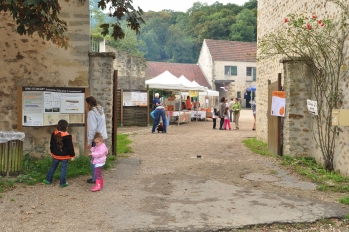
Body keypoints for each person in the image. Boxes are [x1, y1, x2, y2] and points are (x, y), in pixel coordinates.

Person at [43, 119, 75, 188]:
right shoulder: (68, 136)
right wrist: (72, 155)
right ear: (66, 127)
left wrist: (51, 151)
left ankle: (48, 180)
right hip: (65, 156)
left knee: (53, 167)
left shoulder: (54, 133)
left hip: (56, 155)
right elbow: (70, 147)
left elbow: (51, 144)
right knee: (63, 169)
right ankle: (62, 183)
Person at [85, 96, 108, 184]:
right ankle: (98, 176)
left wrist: (89, 141)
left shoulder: (91, 113)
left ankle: (95, 178)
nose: (86, 105)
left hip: (96, 139)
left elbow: (92, 129)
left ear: (88, 103)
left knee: (94, 159)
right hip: (102, 137)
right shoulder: (101, 111)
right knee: (100, 159)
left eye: (86, 103)